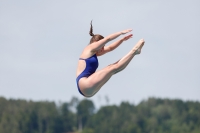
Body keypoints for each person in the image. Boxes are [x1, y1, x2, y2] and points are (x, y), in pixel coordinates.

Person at [76, 21, 145, 97]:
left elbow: (110, 48)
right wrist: (120, 32)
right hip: (85, 84)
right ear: (95, 43)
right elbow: (108, 38)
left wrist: (121, 40)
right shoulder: (89, 48)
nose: (103, 49)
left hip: (87, 89)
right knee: (112, 68)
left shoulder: (94, 52)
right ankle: (135, 51)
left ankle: (135, 51)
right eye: (101, 46)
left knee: (111, 68)